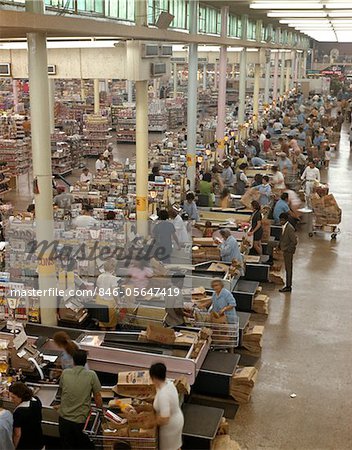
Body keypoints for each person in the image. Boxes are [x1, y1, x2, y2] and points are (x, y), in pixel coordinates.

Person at [58, 350, 103, 450]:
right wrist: (100, 411)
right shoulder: (91, 375)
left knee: (67, 446)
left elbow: (62, 389)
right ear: (85, 361)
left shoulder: (65, 373)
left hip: (64, 419)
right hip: (81, 420)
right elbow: (97, 396)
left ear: (73, 361)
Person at [150, 362, 184, 450]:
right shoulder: (168, 383)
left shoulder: (163, 395)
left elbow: (165, 419)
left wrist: (151, 423)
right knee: (176, 447)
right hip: (177, 419)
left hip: (170, 427)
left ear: (153, 377)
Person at [268, 213, 298, 293]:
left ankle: (288, 286)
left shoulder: (290, 228)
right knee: (287, 268)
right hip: (285, 249)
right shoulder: (284, 227)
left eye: (281, 220)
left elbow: (294, 241)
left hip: (288, 251)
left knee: (288, 268)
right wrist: (279, 246)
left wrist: (288, 249)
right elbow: (282, 238)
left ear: (284, 220)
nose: (280, 221)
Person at [9, 382, 43, 450]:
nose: (11, 400)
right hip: (38, 439)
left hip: (26, 443)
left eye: (13, 397)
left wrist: (13, 447)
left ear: (21, 396)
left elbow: (17, 434)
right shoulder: (36, 400)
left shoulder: (19, 412)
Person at [96, 259, 120, 329]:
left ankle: (102, 338)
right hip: (109, 304)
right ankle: (111, 337)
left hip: (99, 302)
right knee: (112, 324)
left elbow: (98, 289)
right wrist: (118, 303)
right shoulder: (114, 278)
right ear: (113, 267)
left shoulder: (100, 276)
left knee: (102, 323)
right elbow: (114, 293)